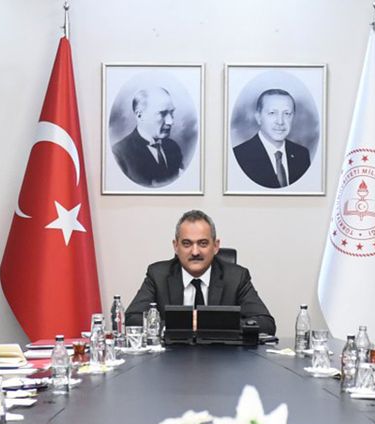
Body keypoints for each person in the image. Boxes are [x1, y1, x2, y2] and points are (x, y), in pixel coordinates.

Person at [124, 209, 276, 335]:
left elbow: (266, 324)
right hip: (172, 357)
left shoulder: (236, 277)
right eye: (187, 244)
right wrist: (185, 324)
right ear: (176, 246)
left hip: (222, 358)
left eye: (203, 243)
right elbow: (132, 320)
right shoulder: (158, 275)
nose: (195, 252)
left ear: (215, 246)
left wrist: (209, 323)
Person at [232, 89, 310, 188]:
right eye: (272, 113)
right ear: (258, 117)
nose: (280, 122)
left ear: (293, 117)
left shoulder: (302, 154)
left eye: (287, 114)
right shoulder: (239, 156)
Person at [111, 87, 183, 188]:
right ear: (140, 116)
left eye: (171, 113)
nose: (170, 121)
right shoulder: (119, 154)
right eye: (162, 113)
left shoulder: (173, 147)